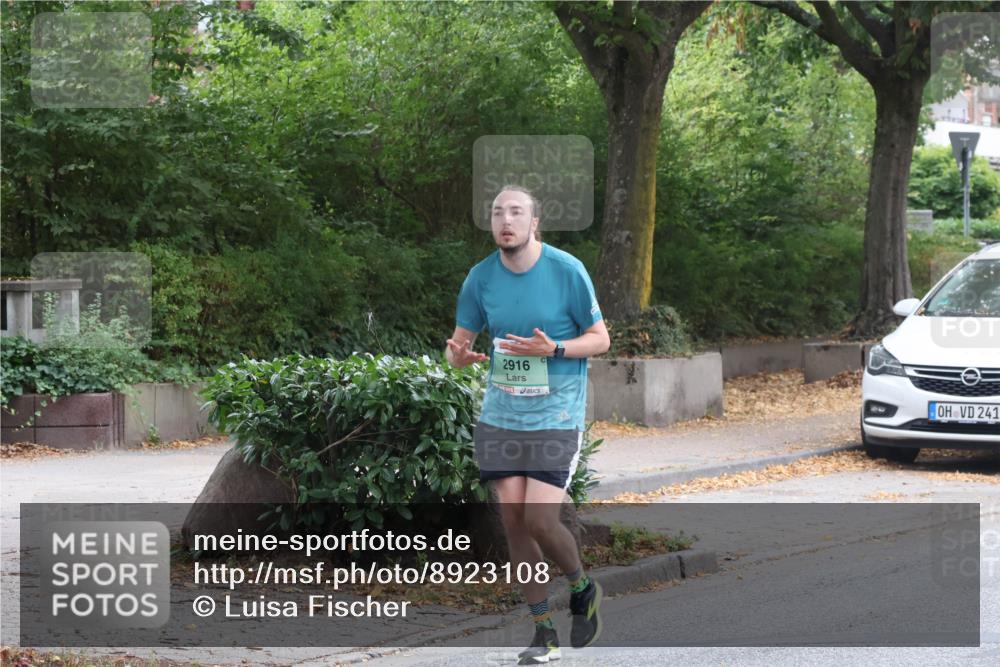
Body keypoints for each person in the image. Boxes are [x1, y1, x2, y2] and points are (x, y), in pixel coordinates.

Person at [445, 185, 610, 664]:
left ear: (534, 223)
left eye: (516, 211)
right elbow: (458, 346)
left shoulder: (566, 271)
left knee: (540, 520)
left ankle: (582, 588)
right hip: (501, 416)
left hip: (557, 415)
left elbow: (599, 339)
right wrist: (457, 356)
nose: (505, 219)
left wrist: (554, 349)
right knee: (514, 524)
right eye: (498, 212)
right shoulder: (480, 279)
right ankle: (543, 632)